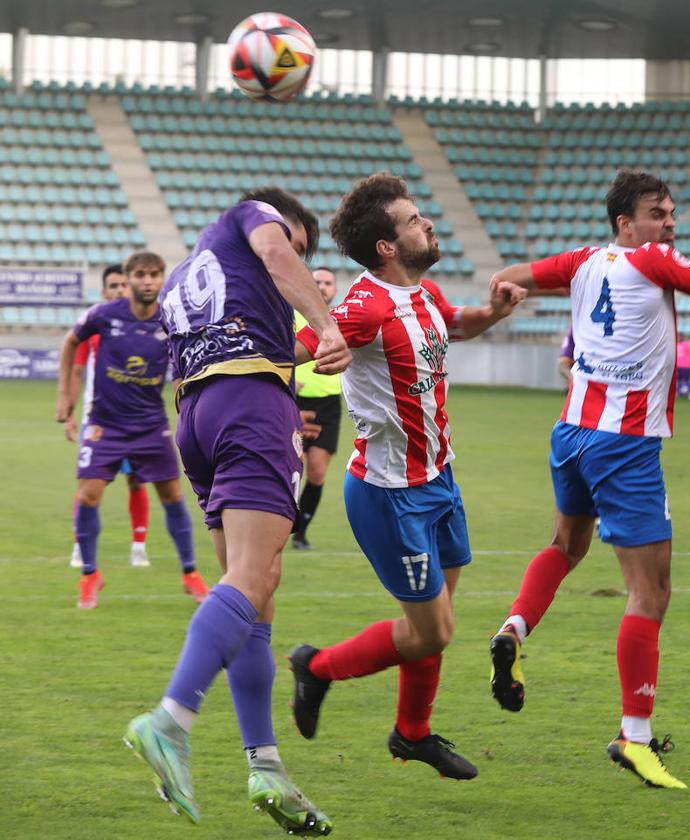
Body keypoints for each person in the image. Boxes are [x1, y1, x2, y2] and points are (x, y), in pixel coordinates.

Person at [485, 169, 690, 790]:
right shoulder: (653, 259)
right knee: (650, 593)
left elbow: (511, 277)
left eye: (672, 212)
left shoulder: (581, 261)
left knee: (565, 546)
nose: (669, 222)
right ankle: (636, 736)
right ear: (626, 223)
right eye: (657, 213)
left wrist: (504, 294)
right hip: (624, 443)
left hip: (570, 432)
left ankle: (513, 628)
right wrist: (672, 262)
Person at [123, 188, 350, 834]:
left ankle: (267, 766)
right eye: (302, 246)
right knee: (252, 578)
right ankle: (169, 721)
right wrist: (328, 322)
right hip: (252, 408)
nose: (299, 263)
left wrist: (317, 343)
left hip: (198, 417)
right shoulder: (255, 218)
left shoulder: (193, 272)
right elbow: (277, 253)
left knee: (255, 595)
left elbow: (252, 337)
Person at [287, 172, 525, 781]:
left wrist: (492, 313)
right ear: (387, 248)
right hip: (391, 494)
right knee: (433, 631)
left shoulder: (424, 294)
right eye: (415, 220)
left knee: (435, 622)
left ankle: (412, 734)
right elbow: (305, 346)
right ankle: (317, 668)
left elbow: (457, 326)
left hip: (440, 480)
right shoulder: (363, 305)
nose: (428, 224)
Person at [54, 252, 207, 610]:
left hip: (151, 424)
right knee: (88, 495)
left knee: (171, 495)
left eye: (154, 274)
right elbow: (70, 342)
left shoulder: (170, 317)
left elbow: (184, 358)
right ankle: (90, 574)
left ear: (161, 278)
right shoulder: (104, 315)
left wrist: (186, 399)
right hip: (104, 423)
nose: (148, 281)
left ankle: (190, 572)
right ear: (129, 279)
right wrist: (65, 398)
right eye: (140, 275)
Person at [66, 264, 152, 569]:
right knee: (89, 486)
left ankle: (138, 546)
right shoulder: (93, 326)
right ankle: (80, 545)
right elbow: (77, 370)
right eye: (112, 286)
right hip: (98, 420)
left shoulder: (143, 326)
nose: (118, 290)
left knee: (136, 482)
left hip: (137, 419)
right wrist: (72, 412)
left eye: (122, 285)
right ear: (104, 292)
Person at [291, 266, 342, 551]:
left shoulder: (343, 318)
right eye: (317, 281)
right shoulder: (295, 317)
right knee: (292, 466)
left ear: (335, 289)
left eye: (328, 282)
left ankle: (301, 532)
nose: (322, 286)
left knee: (318, 471)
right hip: (294, 401)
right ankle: (282, 522)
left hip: (328, 403)